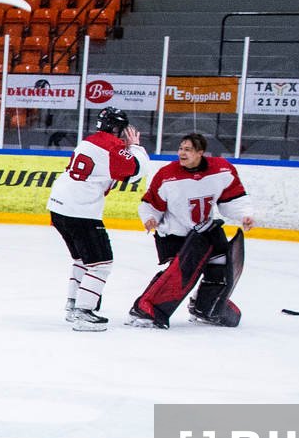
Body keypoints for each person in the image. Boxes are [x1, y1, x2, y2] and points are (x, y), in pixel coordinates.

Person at [129, 132, 254, 328]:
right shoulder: (167, 175)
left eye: (188, 149)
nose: (181, 153)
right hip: (174, 235)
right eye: (180, 148)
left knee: (220, 265)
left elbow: (233, 198)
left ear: (200, 153)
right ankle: (145, 308)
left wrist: (244, 214)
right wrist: (150, 218)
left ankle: (205, 307)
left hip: (204, 233)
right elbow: (151, 202)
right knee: (177, 275)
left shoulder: (221, 170)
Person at [46, 107, 149, 330]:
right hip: (80, 212)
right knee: (101, 263)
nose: (124, 133)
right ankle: (83, 313)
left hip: (58, 207)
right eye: (122, 129)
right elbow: (137, 171)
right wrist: (137, 148)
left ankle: (74, 306)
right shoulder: (112, 146)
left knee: (83, 260)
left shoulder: (90, 141)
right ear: (115, 128)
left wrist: (126, 149)